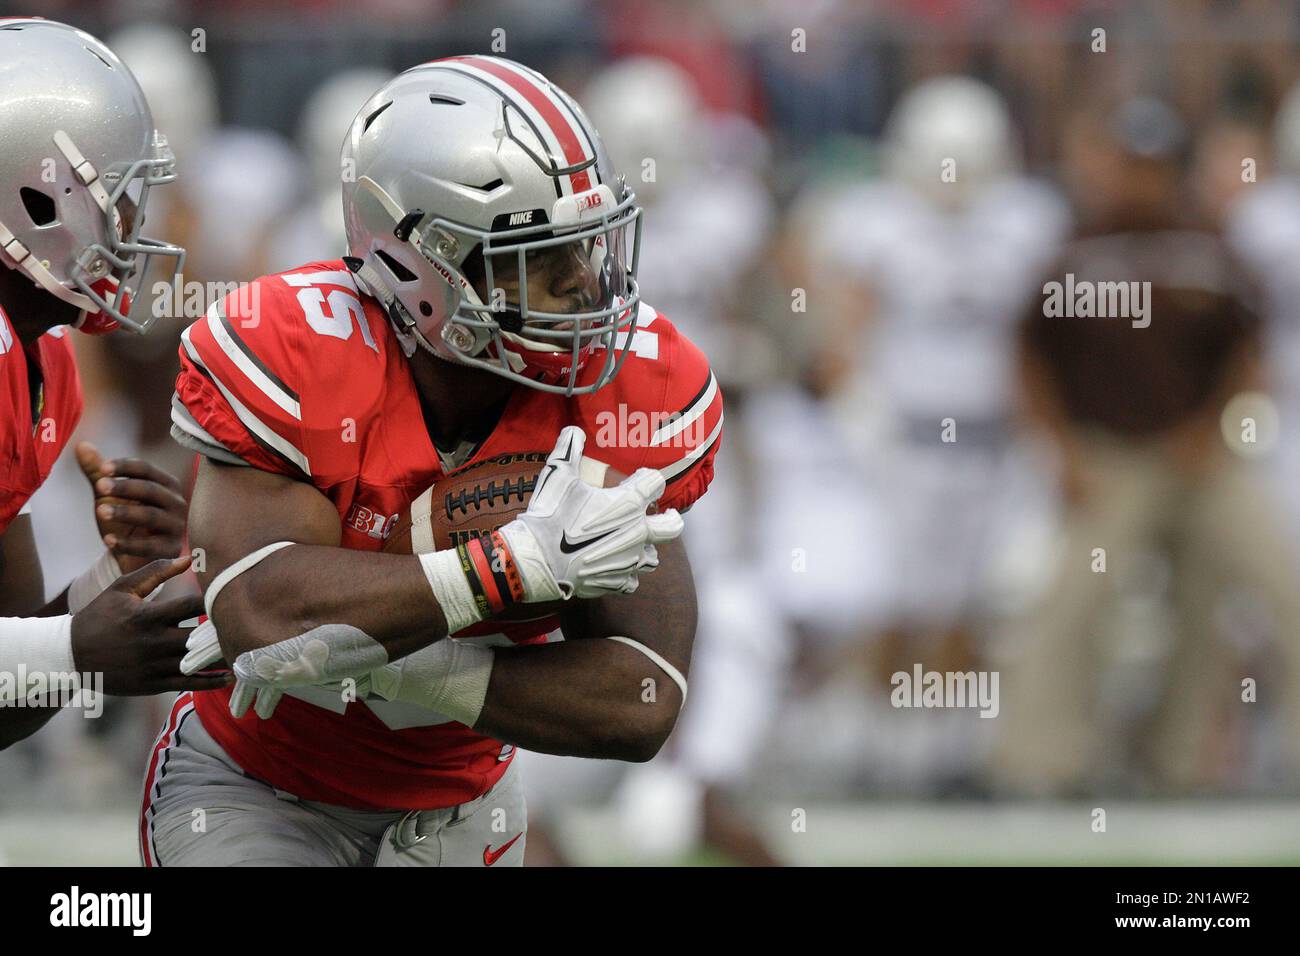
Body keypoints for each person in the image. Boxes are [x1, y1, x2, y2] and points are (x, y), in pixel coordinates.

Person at [146, 56, 723, 867]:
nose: (586, 285)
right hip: (259, 787)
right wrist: (508, 570)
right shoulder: (300, 346)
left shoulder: (634, 387)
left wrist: (401, 664)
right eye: (541, 257)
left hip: (464, 805)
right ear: (426, 269)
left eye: (588, 244)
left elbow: (640, 700)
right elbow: (261, 614)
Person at [0, 18, 228, 749]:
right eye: (116, 193)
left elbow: (6, 702)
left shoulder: (42, 363)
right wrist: (73, 652)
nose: (132, 225)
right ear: (34, 201)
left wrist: (112, 577)